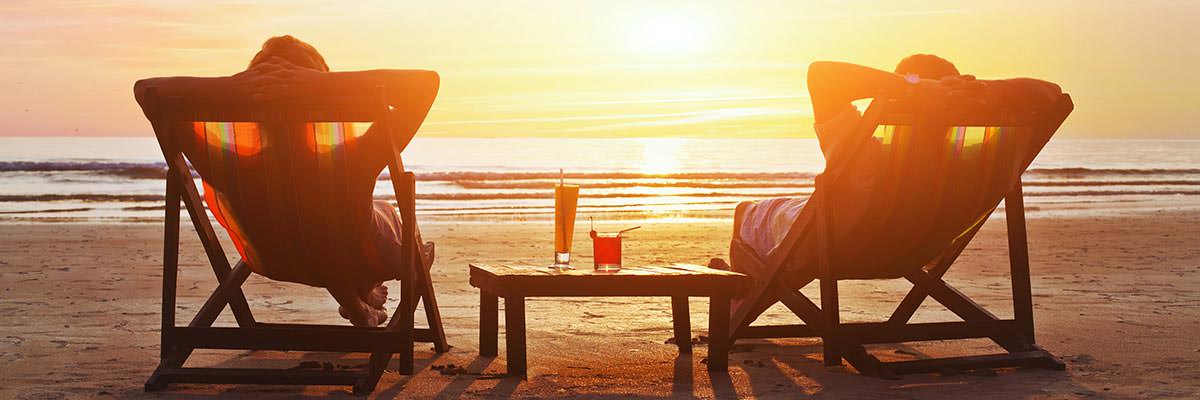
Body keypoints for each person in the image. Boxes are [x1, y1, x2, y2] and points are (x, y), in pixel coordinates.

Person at [133, 36, 439, 327]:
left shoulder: (229, 166)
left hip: (277, 261)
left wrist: (232, 86)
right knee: (375, 215)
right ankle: (366, 286)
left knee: (318, 227)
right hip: (359, 259)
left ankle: (361, 303)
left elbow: (146, 89)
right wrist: (319, 83)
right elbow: (426, 84)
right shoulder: (352, 161)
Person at [731, 55, 1062, 268]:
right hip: (919, 250)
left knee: (748, 212)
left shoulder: (863, 153)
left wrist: (913, 87)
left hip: (839, 247)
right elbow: (1051, 93)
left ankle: (741, 296)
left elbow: (821, 74)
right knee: (799, 220)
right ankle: (751, 288)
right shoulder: (972, 163)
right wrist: (979, 90)